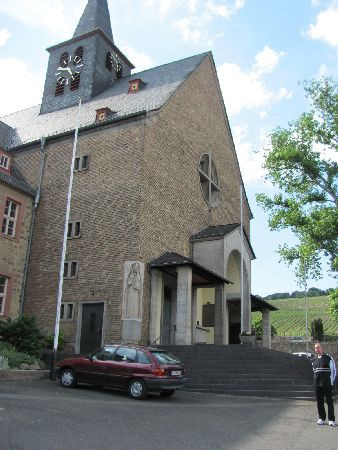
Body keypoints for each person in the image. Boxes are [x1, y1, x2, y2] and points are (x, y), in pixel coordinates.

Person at [312, 342, 336, 426]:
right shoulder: (314, 360)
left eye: (318, 347)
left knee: (329, 401)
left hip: (327, 384)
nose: (317, 349)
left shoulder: (328, 358)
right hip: (317, 384)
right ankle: (321, 418)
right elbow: (314, 372)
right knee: (319, 402)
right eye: (315, 348)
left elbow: (334, 371)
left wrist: (331, 382)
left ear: (322, 348)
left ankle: (331, 420)